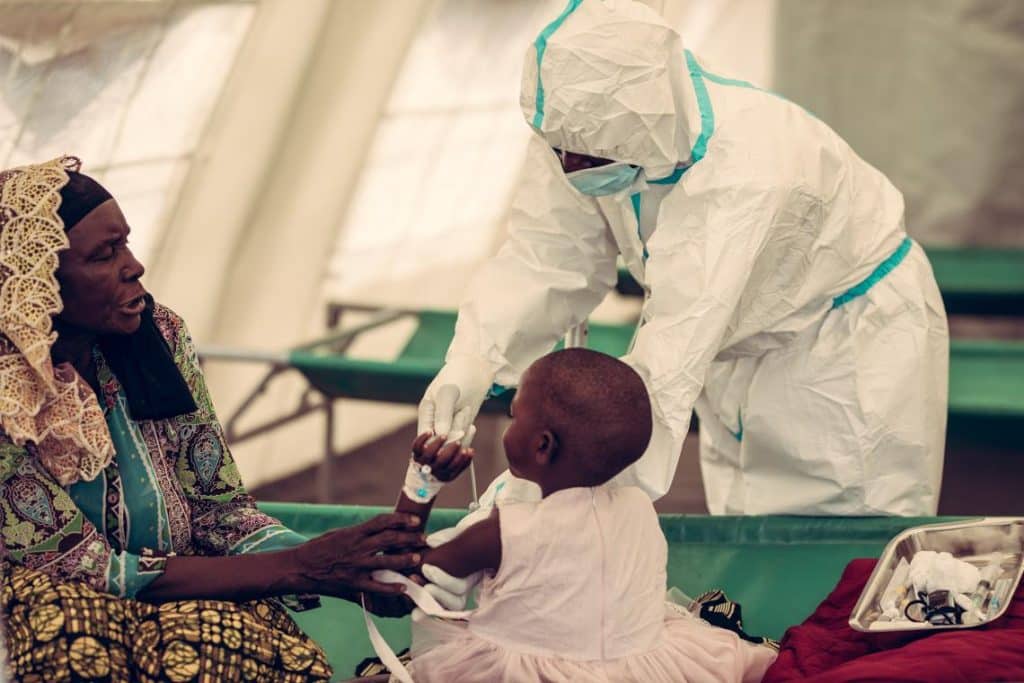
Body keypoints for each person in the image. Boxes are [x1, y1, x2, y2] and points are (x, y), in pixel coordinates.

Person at [418, 0, 948, 522]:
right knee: (746, 528)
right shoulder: (576, 123)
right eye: (560, 150)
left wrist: (543, 499)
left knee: (843, 539)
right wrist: (475, 356)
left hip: (845, 347)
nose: (571, 166)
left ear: (643, 131)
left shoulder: (747, 166)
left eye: (589, 156)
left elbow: (668, 357)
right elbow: (548, 257)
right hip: (740, 343)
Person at [0, 157, 424, 682]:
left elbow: (217, 511)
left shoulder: (154, 340)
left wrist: (351, 568)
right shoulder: (7, 400)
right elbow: (90, 574)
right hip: (55, 629)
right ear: (36, 284)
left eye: (126, 243)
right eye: (104, 254)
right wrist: (307, 566)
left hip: (188, 604)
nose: (134, 266)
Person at [397, 348, 776, 682]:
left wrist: (423, 482)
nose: (509, 427)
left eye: (514, 417)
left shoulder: (501, 533)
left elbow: (406, 570)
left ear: (542, 445)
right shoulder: (639, 509)